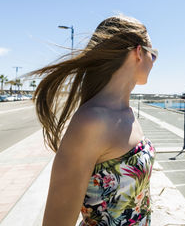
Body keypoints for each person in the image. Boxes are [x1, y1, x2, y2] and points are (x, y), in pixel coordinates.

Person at [24, 14, 158, 226]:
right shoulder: (91, 122)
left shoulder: (128, 114)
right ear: (139, 52)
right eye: (154, 54)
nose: (154, 62)